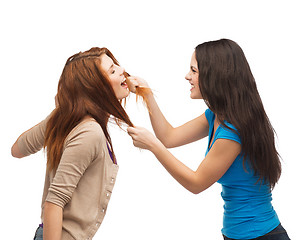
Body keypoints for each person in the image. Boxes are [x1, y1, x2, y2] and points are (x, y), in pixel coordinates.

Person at [127, 39, 290, 239]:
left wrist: (153, 146)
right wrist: (147, 95)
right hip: (237, 234)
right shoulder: (215, 116)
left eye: (193, 71)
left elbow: (196, 183)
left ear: (216, 75)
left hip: (260, 235)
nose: (187, 76)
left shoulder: (233, 132)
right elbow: (169, 137)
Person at [11, 47, 144, 240]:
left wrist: (58, 114)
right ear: (95, 88)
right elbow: (54, 202)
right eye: (112, 70)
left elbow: (17, 149)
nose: (122, 69)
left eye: (116, 65)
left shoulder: (69, 120)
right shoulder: (90, 132)